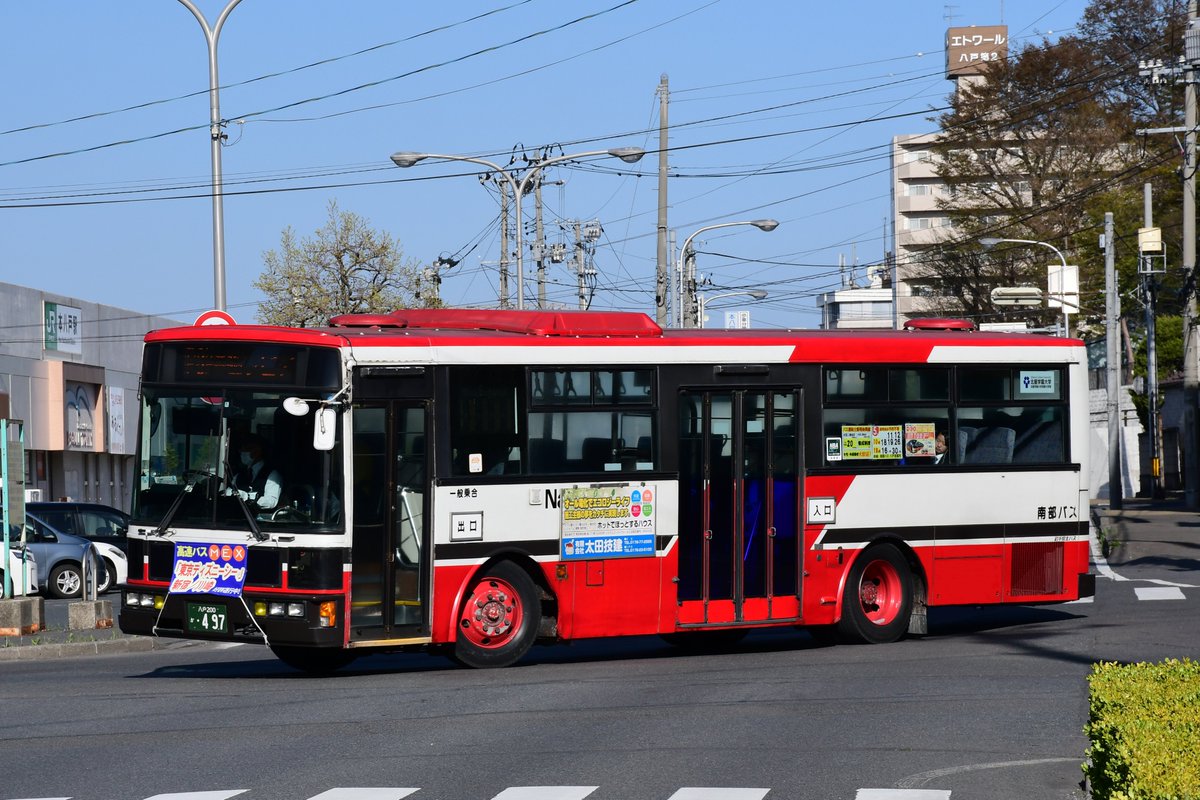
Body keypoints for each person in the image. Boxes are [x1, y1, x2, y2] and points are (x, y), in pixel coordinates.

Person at [230, 435, 282, 511]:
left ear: (257, 451)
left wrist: (248, 497)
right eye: (241, 449)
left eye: (246, 449)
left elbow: (271, 501)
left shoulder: (272, 475)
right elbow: (229, 491)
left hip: (258, 518)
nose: (241, 452)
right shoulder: (238, 475)